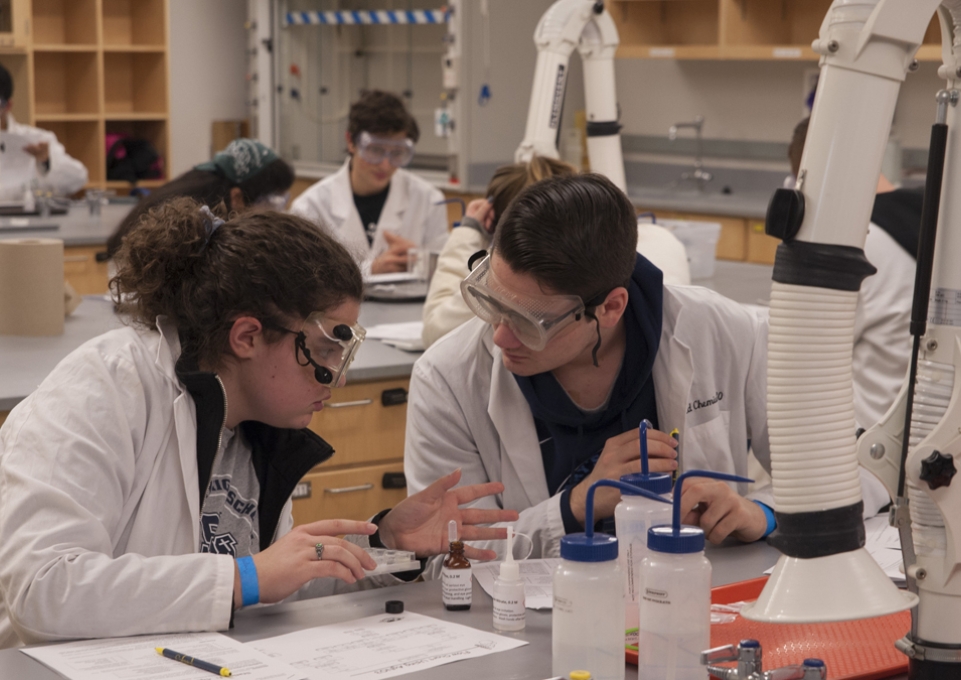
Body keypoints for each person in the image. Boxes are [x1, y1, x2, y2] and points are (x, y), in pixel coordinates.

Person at [0, 198, 516, 648]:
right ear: (246, 337)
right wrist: (241, 578)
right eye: (322, 350)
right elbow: (42, 589)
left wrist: (382, 544)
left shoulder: (253, 426)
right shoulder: (105, 388)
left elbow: (275, 585)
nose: (334, 380)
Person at [405, 173, 774, 571]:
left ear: (611, 308)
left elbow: (838, 480)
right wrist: (577, 505)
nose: (499, 336)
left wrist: (761, 514)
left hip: (698, 603)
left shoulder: (726, 333)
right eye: (494, 301)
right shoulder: (446, 379)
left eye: (529, 323)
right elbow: (452, 556)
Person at [422, 156, 691, 348]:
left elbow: (436, 331)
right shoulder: (658, 238)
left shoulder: (531, 282)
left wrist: (468, 230)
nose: (501, 336)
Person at [788, 117, 918, 430]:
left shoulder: (853, 240)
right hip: (926, 430)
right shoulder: (927, 220)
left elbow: (800, 354)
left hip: (865, 441)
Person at [290, 90, 448, 275]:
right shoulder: (310, 207)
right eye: (375, 150)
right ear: (351, 141)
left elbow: (447, 270)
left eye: (397, 152)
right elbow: (302, 277)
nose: (385, 165)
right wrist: (370, 269)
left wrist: (421, 260)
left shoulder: (429, 200)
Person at [106, 138, 295, 259]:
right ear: (236, 197)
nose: (278, 211)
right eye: (272, 201)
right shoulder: (198, 231)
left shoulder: (189, 192)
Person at [0, 63, 87, 201]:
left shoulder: (36, 140)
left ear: (8, 105)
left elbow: (79, 178)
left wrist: (46, 162)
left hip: (30, 221)